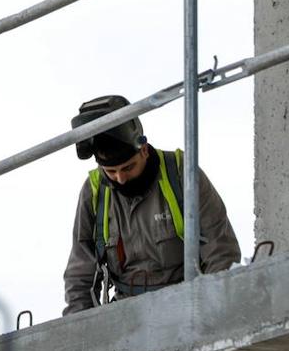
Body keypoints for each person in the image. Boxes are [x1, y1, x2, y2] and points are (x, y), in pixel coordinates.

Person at [63, 96, 241, 314]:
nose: (120, 178)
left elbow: (220, 251)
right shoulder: (94, 192)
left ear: (144, 150)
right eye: (111, 171)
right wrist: (79, 329)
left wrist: (212, 311)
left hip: (186, 304)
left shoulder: (181, 172)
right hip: (126, 313)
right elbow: (81, 271)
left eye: (128, 168)